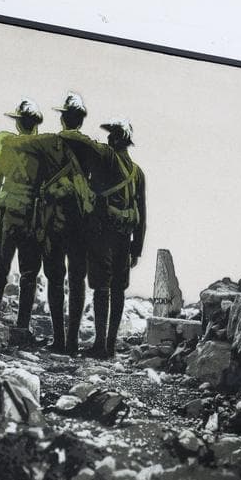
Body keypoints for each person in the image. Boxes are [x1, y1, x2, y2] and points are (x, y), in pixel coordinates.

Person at [0, 99, 50, 339]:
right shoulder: (43, 151)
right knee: (29, 276)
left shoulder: (7, 146)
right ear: (35, 125)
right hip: (32, 219)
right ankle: (21, 327)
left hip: (8, 218)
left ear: (19, 124)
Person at [41, 91, 99, 354]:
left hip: (55, 218)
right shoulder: (92, 147)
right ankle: (74, 341)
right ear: (81, 121)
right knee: (77, 279)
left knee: (55, 278)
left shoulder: (52, 144)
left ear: (64, 118)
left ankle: (59, 339)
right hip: (82, 222)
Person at [84, 118, 146, 358]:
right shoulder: (138, 172)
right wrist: (136, 248)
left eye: (112, 135)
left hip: (104, 236)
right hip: (125, 239)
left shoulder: (108, 159)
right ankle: (110, 345)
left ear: (118, 139)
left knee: (102, 289)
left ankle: (101, 344)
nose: (108, 139)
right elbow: (142, 214)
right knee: (118, 290)